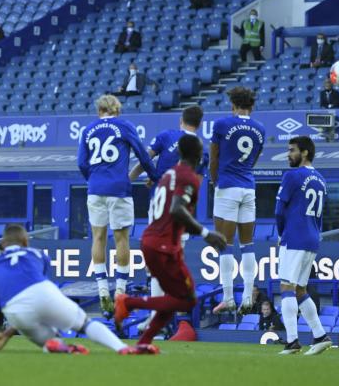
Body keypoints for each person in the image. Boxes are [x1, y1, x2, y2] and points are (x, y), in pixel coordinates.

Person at [0, 224, 140, 355]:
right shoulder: (37, 254)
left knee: (47, 340)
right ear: (25, 242)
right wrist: (7, 334)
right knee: (85, 324)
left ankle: (55, 345)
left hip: (14, 311)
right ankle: (122, 348)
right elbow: (35, 295)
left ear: (2, 245)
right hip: (43, 292)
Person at [114, 135, 227, 351]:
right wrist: (206, 233)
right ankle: (129, 303)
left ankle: (143, 343)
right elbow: (177, 210)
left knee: (177, 299)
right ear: (195, 153)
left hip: (157, 242)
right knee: (185, 300)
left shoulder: (168, 175)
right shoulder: (188, 177)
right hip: (162, 245)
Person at [127, 105, 208, 334]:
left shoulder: (166, 136)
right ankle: (164, 318)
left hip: (159, 206)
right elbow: (196, 185)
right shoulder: (201, 150)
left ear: (181, 120)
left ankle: (156, 318)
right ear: (200, 124)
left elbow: (145, 158)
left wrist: (130, 180)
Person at [77, 94, 159, 313]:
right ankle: (121, 290)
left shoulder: (88, 130)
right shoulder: (124, 125)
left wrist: (94, 179)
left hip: (95, 189)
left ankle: (103, 289)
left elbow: (81, 163)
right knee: (121, 239)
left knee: (98, 237)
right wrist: (155, 175)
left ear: (99, 111)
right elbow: (142, 154)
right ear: (117, 110)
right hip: (119, 189)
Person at [209, 87, 265, 314]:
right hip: (248, 187)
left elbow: (214, 158)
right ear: (251, 106)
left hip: (227, 186)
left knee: (224, 244)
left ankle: (229, 297)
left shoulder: (222, 125)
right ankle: (249, 297)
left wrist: (215, 182)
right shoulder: (260, 129)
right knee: (248, 244)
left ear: (233, 105)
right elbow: (253, 160)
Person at [275, 136, 332, 355]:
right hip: (312, 238)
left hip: (295, 237)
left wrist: (282, 234)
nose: (288, 154)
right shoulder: (320, 179)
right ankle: (319, 335)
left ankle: (292, 341)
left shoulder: (292, 176)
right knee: (300, 289)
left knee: (286, 287)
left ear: (305, 152)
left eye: (292, 150)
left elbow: (279, 211)